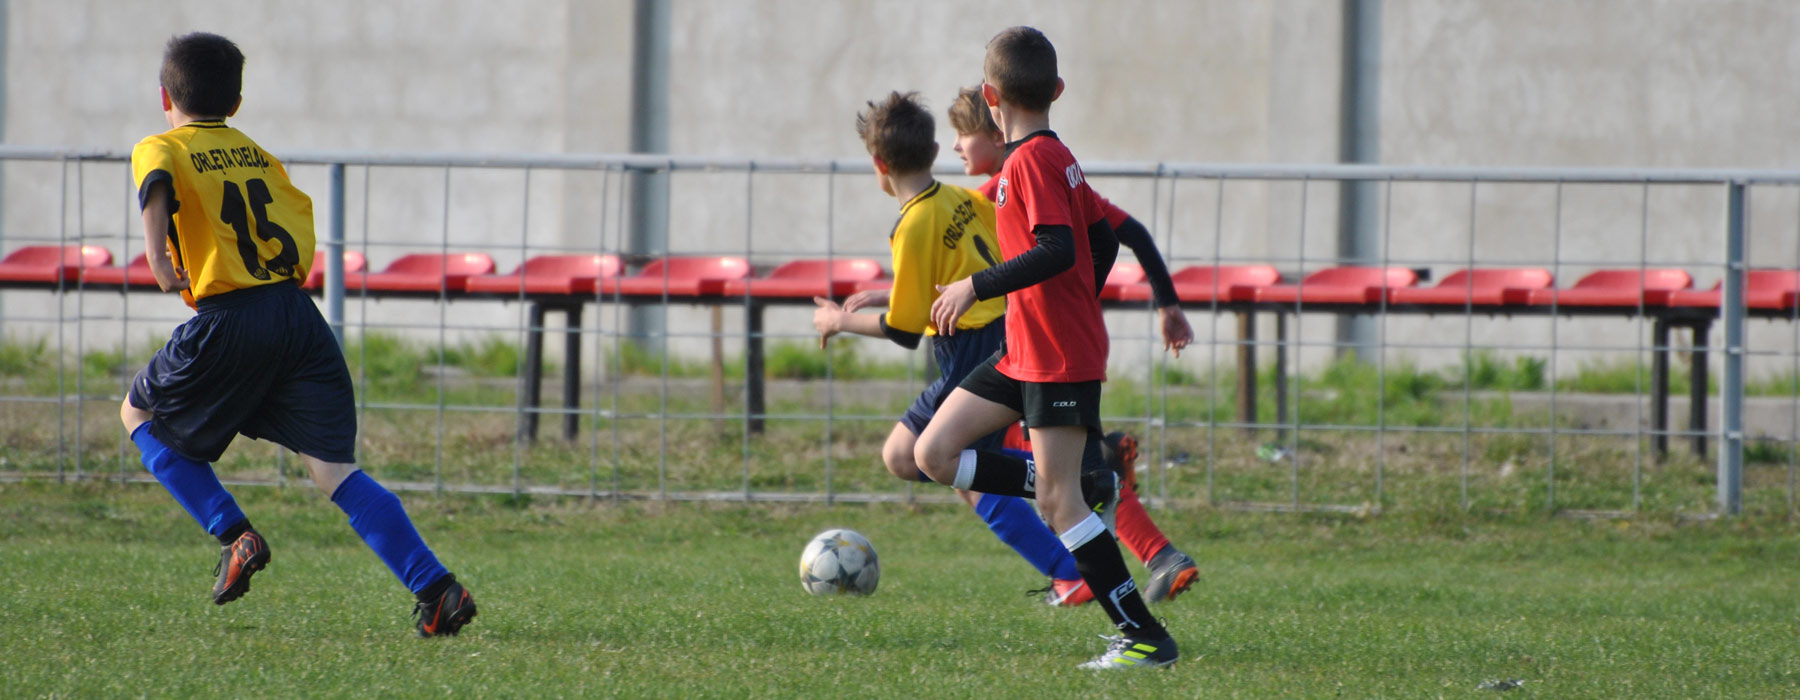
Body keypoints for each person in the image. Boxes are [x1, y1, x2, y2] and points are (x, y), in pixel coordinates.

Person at [123, 32, 475, 637]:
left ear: (164, 97)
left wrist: (157, 258)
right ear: (236, 103)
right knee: (333, 469)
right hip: (295, 314)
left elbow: (156, 182)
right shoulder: (260, 156)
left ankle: (234, 533)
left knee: (137, 412)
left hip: (231, 315)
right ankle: (437, 589)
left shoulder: (161, 145)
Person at [917, 27, 1178, 669]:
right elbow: (1104, 241)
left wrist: (976, 285)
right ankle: (1082, 481)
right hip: (1024, 349)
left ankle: (1146, 638)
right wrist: (1071, 301)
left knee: (1061, 506)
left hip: (1055, 356)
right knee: (934, 453)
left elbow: (1058, 247)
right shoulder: (1054, 158)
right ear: (1056, 90)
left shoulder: (1033, 161)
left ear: (990, 96)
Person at [814, 91, 1093, 605]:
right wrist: (890, 293)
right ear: (934, 149)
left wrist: (840, 320)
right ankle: (1067, 499)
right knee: (934, 460)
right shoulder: (958, 199)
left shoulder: (912, 222)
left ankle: (1070, 559)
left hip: (970, 349)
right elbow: (968, 266)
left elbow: (904, 331)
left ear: (879, 165)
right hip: (1001, 334)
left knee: (940, 463)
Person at [947, 84, 1202, 607]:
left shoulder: (999, 191)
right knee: (1052, 473)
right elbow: (1126, 233)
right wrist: (1165, 302)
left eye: (963, 133)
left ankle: (1113, 581)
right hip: (1037, 343)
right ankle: (1149, 555)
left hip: (1042, 349)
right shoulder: (1046, 173)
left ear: (996, 128)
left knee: (1060, 480)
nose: (954, 145)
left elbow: (1089, 242)